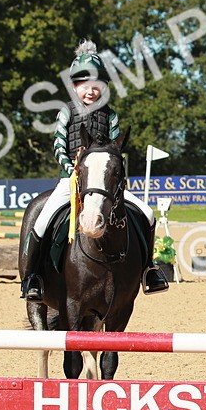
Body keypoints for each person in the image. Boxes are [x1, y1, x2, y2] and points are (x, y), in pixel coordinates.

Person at [21, 40, 169, 300]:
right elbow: (59, 147)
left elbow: (114, 152)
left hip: (103, 186)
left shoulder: (110, 116)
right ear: (75, 86)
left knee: (147, 213)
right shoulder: (66, 112)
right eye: (84, 86)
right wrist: (73, 170)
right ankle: (32, 277)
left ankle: (148, 270)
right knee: (42, 220)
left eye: (95, 86)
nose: (90, 91)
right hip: (71, 181)